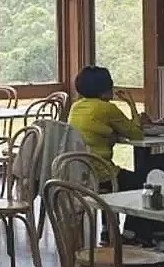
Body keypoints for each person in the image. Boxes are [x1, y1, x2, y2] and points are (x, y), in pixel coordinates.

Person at [67, 64, 156, 244]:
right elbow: (136, 134)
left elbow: (99, 132)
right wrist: (131, 104)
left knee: (123, 177)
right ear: (104, 89)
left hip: (78, 173)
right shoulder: (107, 109)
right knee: (144, 183)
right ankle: (133, 233)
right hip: (101, 174)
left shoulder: (76, 107)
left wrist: (111, 135)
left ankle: (107, 230)